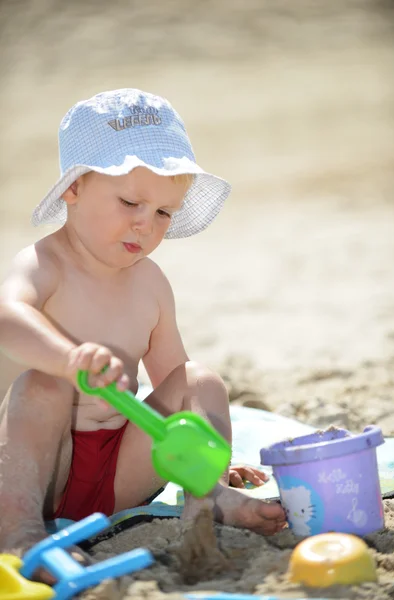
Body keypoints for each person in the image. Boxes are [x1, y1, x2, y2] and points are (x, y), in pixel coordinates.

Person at [0, 89, 286, 558]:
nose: (145, 225)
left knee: (201, 380)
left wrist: (213, 456)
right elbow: (8, 318)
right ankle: (18, 533)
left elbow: (177, 381)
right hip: (37, 469)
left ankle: (208, 494)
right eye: (130, 202)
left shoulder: (150, 284)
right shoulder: (43, 264)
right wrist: (67, 360)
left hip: (118, 473)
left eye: (162, 213)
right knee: (42, 385)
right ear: (73, 188)